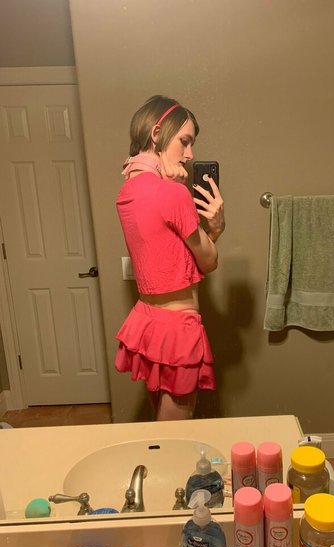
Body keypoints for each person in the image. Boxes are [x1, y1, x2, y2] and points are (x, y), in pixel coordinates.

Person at [115, 95, 225, 421]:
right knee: (175, 433)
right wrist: (216, 226)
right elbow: (208, 261)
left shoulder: (128, 190)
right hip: (177, 328)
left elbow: (170, 253)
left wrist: (172, 185)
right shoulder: (173, 194)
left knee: (160, 425)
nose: (190, 155)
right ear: (157, 132)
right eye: (185, 141)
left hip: (149, 319)